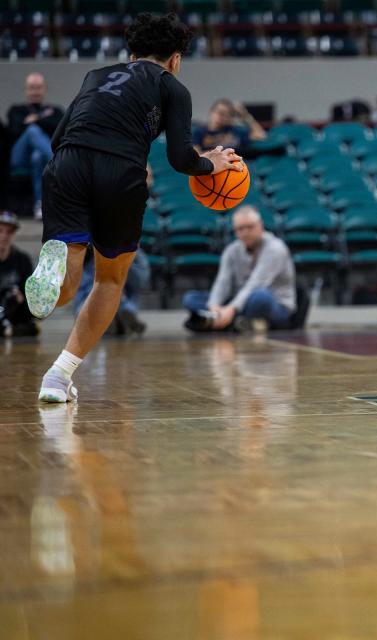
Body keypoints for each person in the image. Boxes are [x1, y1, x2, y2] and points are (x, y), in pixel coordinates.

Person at [25, 13, 240, 403]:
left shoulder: (95, 76)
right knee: (109, 279)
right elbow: (180, 158)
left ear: (130, 53)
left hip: (67, 163)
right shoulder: (172, 87)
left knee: (66, 277)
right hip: (119, 172)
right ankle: (58, 376)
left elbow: (58, 137)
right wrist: (212, 163)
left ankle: (50, 269)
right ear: (175, 59)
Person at [183, 206, 295, 332]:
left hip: (274, 305)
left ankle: (219, 322)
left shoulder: (275, 248)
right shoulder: (231, 250)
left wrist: (231, 309)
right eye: (240, 229)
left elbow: (256, 284)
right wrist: (213, 307)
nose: (245, 232)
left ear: (261, 225)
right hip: (240, 304)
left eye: (250, 227)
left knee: (261, 297)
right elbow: (222, 282)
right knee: (191, 298)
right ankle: (237, 323)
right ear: (235, 231)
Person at [7, 73, 64, 219]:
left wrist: (35, 119)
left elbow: (60, 128)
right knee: (32, 131)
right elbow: (15, 129)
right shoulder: (16, 110)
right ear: (26, 90)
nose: (35, 91)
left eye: (38, 88)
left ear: (44, 89)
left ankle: (40, 204)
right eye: (32, 88)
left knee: (37, 156)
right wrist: (43, 120)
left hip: (39, 158)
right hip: (19, 157)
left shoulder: (55, 110)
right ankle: (58, 165)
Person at [72, 248, 150, 336]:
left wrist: (125, 262)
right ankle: (125, 312)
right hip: (97, 294)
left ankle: (120, 316)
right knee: (104, 293)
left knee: (114, 294)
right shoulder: (91, 254)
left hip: (117, 294)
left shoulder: (137, 255)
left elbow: (140, 281)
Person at [0, 210, 38, 337]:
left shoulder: (22, 260)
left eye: (9, 232)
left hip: (16, 318)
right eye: (0, 231)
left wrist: (21, 299)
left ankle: (8, 330)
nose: (4, 236)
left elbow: (31, 304)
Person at [192, 98, 266, 152]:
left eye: (226, 114)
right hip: (211, 167)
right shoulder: (199, 132)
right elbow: (196, 155)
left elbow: (261, 135)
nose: (221, 116)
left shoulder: (235, 131)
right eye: (219, 112)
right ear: (211, 112)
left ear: (230, 118)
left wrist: (245, 115)